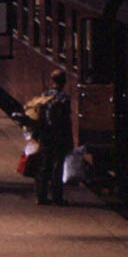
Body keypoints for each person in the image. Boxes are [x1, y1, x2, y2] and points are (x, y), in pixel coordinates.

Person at [33, 70, 74, 205]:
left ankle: (41, 197)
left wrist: (36, 135)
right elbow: (66, 120)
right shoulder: (64, 98)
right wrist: (69, 139)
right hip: (60, 135)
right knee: (58, 166)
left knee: (44, 165)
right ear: (64, 82)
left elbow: (38, 117)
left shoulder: (44, 96)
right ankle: (57, 197)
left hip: (46, 134)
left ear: (52, 80)